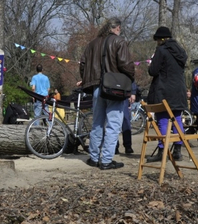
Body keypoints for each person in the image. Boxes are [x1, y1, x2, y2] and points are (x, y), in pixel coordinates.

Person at [78, 17, 135, 170]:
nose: (119, 32)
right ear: (116, 28)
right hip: (114, 88)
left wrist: (86, 80)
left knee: (97, 123)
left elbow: (82, 65)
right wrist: (130, 79)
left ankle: (94, 157)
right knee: (113, 124)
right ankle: (107, 160)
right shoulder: (119, 41)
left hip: (97, 88)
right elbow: (126, 64)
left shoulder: (92, 44)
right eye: (119, 29)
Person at [145, 26, 188, 162]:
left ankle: (162, 150)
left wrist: (151, 63)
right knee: (177, 118)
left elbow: (153, 71)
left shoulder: (161, 50)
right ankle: (177, 150)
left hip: (164, 90)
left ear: (161, 39)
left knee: (163, 118)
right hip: (179, 90)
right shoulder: (181, 52)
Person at [116, 83, 138, 155]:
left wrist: (133, 92)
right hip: (112, 91)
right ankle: (115, 146)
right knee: (113, 121)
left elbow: (130, 75)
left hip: (123, 93)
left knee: (125, 120)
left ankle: (128, 145)